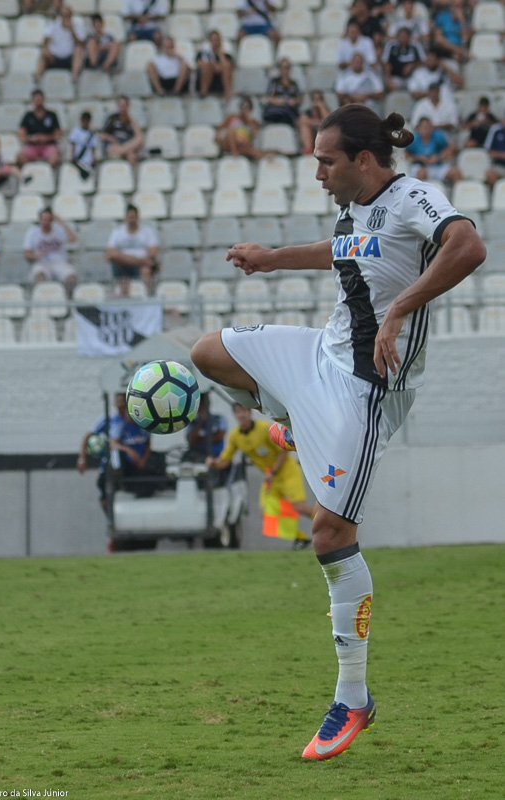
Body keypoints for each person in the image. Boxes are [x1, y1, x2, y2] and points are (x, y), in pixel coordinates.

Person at [190, 103, 486, 761]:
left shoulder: (412, 198)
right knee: (208, 352)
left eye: (326, 161)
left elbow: (468, 246)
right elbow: (344, 251)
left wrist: (398, 311)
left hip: (366, 388)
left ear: (363, 159)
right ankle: (297, 423)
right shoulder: (353, 207)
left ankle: (352, 697)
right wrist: (271, 260)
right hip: (320, 355)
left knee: (329, 534)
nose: (318, 172)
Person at [207, 403, 313, 549]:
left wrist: (273, 472)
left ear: (249, 413)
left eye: (244, 411)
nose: (242, 415)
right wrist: (212, 463)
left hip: (287, 472)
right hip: (270, 477)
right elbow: (225, 461)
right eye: (238, 412)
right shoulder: (235, 436)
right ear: (234, 415)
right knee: (266, 512)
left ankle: (330, 522)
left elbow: (283, 450)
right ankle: (300, 538)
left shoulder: (264, 429)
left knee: (299, 507)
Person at [77, 392, 127, 514]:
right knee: (102, 485)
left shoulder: (131, 421)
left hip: (128, 460)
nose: (120, 404)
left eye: (123, 401)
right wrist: (82, 458)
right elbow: (87, 436)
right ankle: (109, 516)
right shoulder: (110, 420)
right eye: (118, 401)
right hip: (110, 461)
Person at [105, 204, 159, 295]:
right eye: (130, 217)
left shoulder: (147, 231)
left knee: (146, 270)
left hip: (141, 266)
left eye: (133, 217)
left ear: (137, 217)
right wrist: (138, 261)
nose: (131, 220)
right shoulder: (117, 232)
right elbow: (110, 252)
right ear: (125, 218)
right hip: (123, 265)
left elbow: (153, 252)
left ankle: (148, 295)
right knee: (114, 255)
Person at [23, 206, 78, 294]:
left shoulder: (59, 230)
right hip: (42, 263)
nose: (45, 222)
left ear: (52, 220)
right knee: (40, 276)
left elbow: (73, 239)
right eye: (44, 219)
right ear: (39, 220)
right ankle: (41, 298)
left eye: (48, 219)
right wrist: (36, 255)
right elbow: (27, 254)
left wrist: (60, 221)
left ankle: (67, 297)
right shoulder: (32, 233)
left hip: (60, 262)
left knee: (71, 277)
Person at [33, 4, 86, 84]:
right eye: (63, 15)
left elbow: (81, 44)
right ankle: (37, 77)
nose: (65, 18)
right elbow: (45, 42)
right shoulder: (53, 26)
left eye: (67, 15)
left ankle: (74, 76)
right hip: (54, 57)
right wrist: (47, 51)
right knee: (43, 53)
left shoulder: (78, 27)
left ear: (71, 16)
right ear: (60, 16)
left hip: (69, 58)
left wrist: (72, 30)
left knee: (78, 50)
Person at [405, 116, 462, 184]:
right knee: (421, 173)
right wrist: (419, 158)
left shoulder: (438, 136)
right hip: (421, 166)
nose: (427, 130)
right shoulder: (414, 140)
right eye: (424, 127)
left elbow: (449, 150)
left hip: (437, 165)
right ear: (419, 128)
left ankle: (456, 190)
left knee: (456, 173)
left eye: (429, 127)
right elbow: (407, 156)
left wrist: (438, 157)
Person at [17, 89, 62, 169]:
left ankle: (47, 173)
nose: (38, 101)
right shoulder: (28, 116)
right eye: (36, 99)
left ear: (44, 99)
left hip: (48, 145)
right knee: (20, 157)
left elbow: (58, 134)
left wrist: (46, 138)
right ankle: (31, 172)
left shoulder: (52, 115)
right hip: (32, 145)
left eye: (40, 99)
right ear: (32, 101)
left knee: (55, 157)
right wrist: (32, 138)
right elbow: (21, 134)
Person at [99, 96, 144, 167]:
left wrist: (130, 117)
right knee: (131, 155)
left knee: (139, 140)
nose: (122, 108)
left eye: (124, 106)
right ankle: (126, 153)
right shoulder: (112, 118)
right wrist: (112, 139)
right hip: (114, 146)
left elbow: (139, 137)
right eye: (120, 106)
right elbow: (102, 134)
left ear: (128, 106)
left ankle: (123, 153)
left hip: (126, 144)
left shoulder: (131, 121)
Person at [183, 392, 228, 462]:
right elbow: (191, 440)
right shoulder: (191, 422)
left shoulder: (219, 418)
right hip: (196, 455)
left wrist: (199, 440)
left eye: (204, 404)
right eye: (200, 405)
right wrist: (200, 421)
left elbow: (219, 437)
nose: (202, 407)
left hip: (216, 455)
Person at [381, 26, 426, 92]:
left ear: (409, 37)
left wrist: (412, 65)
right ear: (397, 37)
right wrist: (388, 79)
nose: (403, 39)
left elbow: (423, 62)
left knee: (417, 84)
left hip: (413, 77)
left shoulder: (416, 45)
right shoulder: (391, 46)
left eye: (405, 36)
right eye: (401, 36)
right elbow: (386, 63)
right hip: (396, 77)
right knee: (391, 85)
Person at [262, 58, 302, 128]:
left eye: (287, 68)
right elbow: (270, 98)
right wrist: (281, 102)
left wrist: (293, 101)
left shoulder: (293, 83)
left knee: (290, 111)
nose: (285, 70)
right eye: (284, 67)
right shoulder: (274, 82)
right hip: (277, 109)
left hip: (289, 109)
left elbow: (299, 98)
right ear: (280, 68)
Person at [195, 29, 234, 100]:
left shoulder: (226, 55)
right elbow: (199, 64)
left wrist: (220, 54)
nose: (216, 42)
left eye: (218, 40)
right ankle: (204, 92)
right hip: (205, 78)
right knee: (207, 65)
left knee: (226, 65)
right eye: (214, 40)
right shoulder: (202, 54)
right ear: (210, 41)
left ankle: (228, 93)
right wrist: (214, 66)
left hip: (220, 81)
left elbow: (227, 66)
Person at [68, 110, 99, 180]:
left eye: (87, 120)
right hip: (78, 160)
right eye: (83, 120)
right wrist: (72, 155)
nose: (85, 122)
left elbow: (93, 148)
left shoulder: (92, 133)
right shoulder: (75, 131)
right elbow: (73, 144)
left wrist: (94, 158)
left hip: (88, 161)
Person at [483, 116, 505, 189]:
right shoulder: (496, 130)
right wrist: (502, 155)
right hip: (500, 166)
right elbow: (488, 151)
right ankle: (493, 194)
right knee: (490, 174)